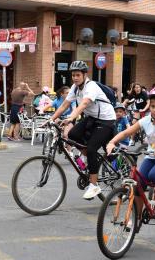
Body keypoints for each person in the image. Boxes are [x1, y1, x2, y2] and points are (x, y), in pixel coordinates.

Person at [106, 86, 155, 207]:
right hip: (151, 157)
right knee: (138, 185)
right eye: (152, 106)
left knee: (154, 175)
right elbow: (126, 132)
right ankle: (137, 220)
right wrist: (112, 142)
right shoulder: (145, 120)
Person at [50, 61, 116, 199]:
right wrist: (49, 120)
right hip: (92, 118)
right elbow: (64, 105)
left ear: (84, 75)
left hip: (106, 120)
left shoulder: (91, 86)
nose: (75, 77)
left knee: (92, 148)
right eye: (73, 75)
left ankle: (94, 185)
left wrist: (71, 117)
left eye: (78, 75)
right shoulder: (74, 88)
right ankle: (92, 161)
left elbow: (85, 103)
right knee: (72, 135)